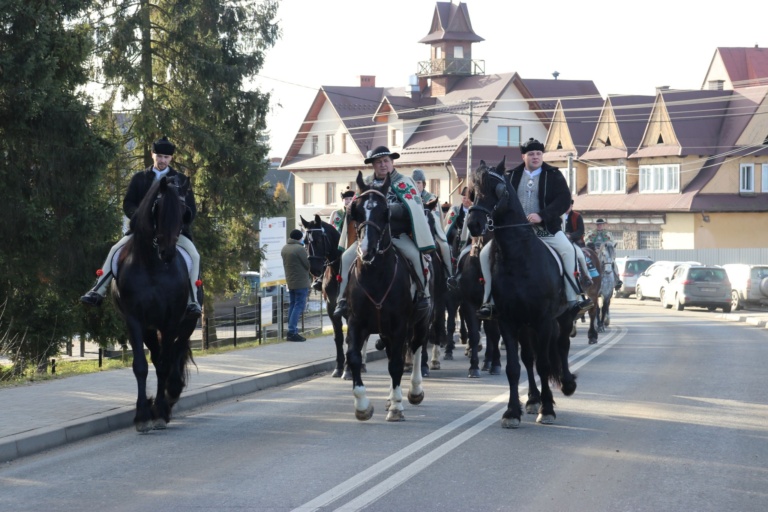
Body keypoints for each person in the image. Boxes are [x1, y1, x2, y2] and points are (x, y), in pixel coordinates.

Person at [80, 136, 202, 318]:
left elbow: (191, 208)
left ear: (171, 159)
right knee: (115, 249)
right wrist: (139, 217)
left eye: (166, 157)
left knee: (194, 255)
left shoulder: (180, 179)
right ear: (153, 155)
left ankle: (193, 301)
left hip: (171, 233)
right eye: (159, 156)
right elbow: (128, 203)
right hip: (142, 232)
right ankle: (98, 290)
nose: (162, 160)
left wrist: (181, 218)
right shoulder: (140, 178)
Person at [476, 138, 592, 320]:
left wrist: (542, 215)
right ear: (523, 156)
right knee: (484, 255)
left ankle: (573, 297)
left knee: (569, 250)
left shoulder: (553, 175)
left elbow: (562, 200)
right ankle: (489, 301)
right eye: (531, 154)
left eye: (538, 153)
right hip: (516, 234)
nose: (535, 157)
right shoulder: (511, 176)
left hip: (546, 230)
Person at [333, 146, 434, 318]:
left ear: (392, 162)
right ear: (372, 165)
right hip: (369, 238)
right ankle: (342, 299)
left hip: (396, 235)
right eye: (378, 162)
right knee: (345, 257)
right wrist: (352, 208)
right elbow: (359, 209)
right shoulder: (365, 183)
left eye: (386, 161)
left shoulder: (405, 182)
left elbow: (412, 208)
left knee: (416, 257)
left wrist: (388, 209)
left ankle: (424, 294)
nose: (383, 165)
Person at [412, 169, 457, 289]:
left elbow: (436, 218)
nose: (417, 185)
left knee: (444, 247)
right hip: (414, 232)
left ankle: (449, 275)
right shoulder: (409, 198)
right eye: (414, 183)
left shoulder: (431, 198)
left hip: (432, 231)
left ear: (423, 184)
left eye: (419, 183)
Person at [281, 229, 311, 342]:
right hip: (301, 282)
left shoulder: (285, 248)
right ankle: (292, 331)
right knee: (299, 306)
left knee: (293, 305)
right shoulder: (300, 249)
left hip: (290, 281)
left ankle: (291, 330)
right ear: (299, 238)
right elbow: (307, 264)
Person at [564, 200, 593, 288]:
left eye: (568, 205)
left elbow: (581, 231)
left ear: (572, 206)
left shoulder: (577, 216)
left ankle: (587, 276)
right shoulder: (559, 215)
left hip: (575, 241)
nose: (566, 207)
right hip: (561, 240)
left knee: (581, 256)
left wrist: (570, 236)